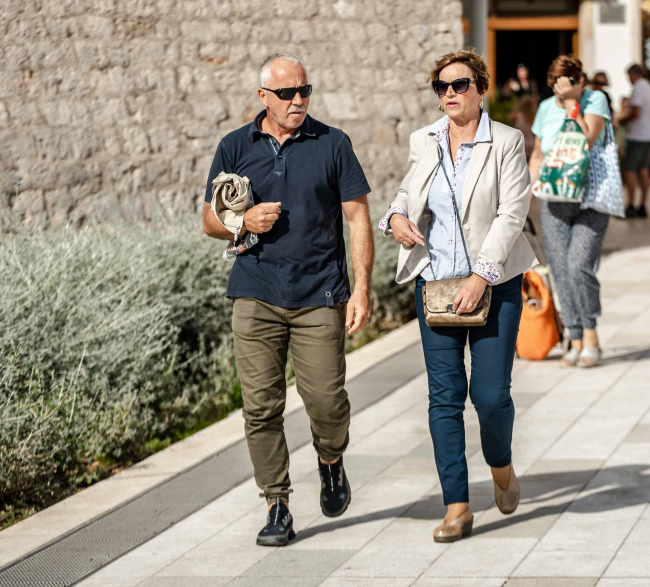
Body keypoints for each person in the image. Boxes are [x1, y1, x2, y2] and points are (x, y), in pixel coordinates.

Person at [202, 53, 375, 546]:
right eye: (287, 94)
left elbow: (358, 217)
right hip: (255, 294)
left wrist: (362, 288)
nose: (298, 100)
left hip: (319, 293)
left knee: (324, 398)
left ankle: (330, 459)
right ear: (264, 97)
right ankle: (276, 503)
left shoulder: (332, 143)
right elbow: (209, 220)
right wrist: (243, 221)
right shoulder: (234, 146)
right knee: (260, 408)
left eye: (304, 91)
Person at [379, 49, 536, 543]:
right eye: (441, 86)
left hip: (494, 286)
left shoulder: (506, 142)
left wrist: (481, 277)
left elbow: (513, 213)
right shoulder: (423, 141)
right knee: (444, 399)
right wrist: (396, 219)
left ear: (481, 89)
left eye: (460, 84)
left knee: (490, 397)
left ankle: (502, 469)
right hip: (436, 286)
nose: (449, 93)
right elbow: (406, 195)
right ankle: (457, 505)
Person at [530, 55, 612, 368]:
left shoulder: (595, 100)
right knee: (561, 269)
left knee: (579, 265)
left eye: (565, 85)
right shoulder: (545, 108)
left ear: (579, 81)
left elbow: (587, 138)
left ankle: (591, 333)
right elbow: (538, 153)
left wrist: (572, 105)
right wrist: (525, 192)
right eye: (555, 86)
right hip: (553, 198)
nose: (558, 92)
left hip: (590, 197)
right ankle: (574, 337)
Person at [617, 64, 650, 218]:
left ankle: (631, 205)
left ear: (633, 75)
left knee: (629, 169)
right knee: (644, 170)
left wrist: (621, 121)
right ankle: (643, 205)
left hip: (637, 135)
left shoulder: (638, 89)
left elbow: (636, 112)